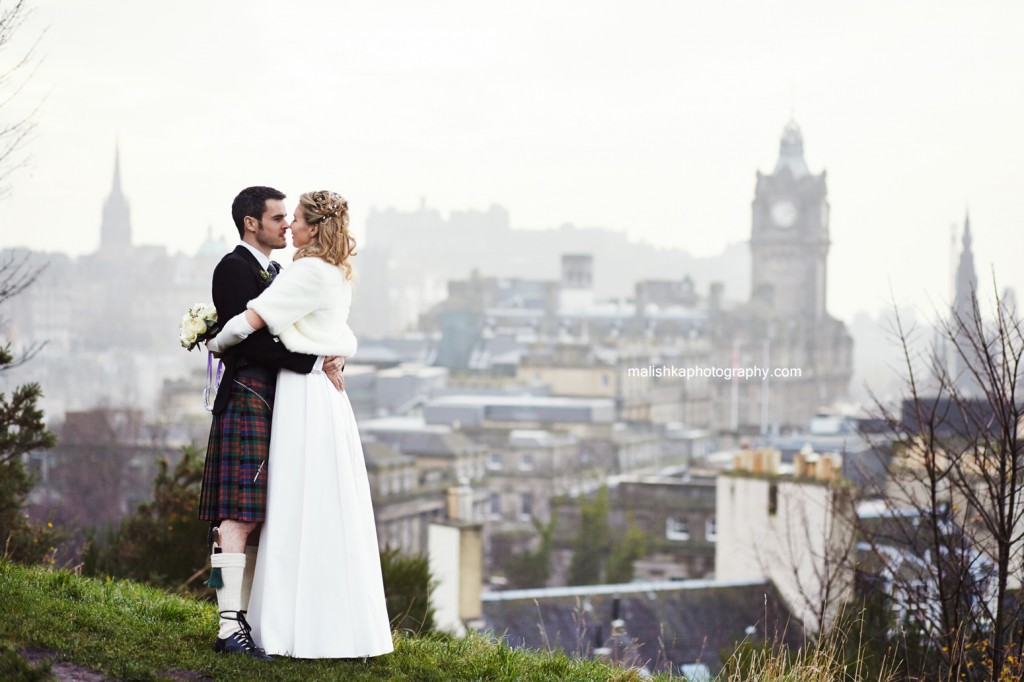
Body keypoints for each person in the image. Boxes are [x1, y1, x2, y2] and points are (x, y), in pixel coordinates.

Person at [207, 190, 393, 659]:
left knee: (276, 515)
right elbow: (244, 343)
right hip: (252, 398)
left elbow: (305, 327)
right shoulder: (234, 267)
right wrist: (315, 362)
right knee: (239, 516)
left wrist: (326, 356)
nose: (287, 225)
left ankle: (252, 619)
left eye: (294, 218)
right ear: (252, 224)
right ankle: (230, 623)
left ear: (314, 226)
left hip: (285, 402)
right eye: (278, 217)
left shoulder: (291, 272)